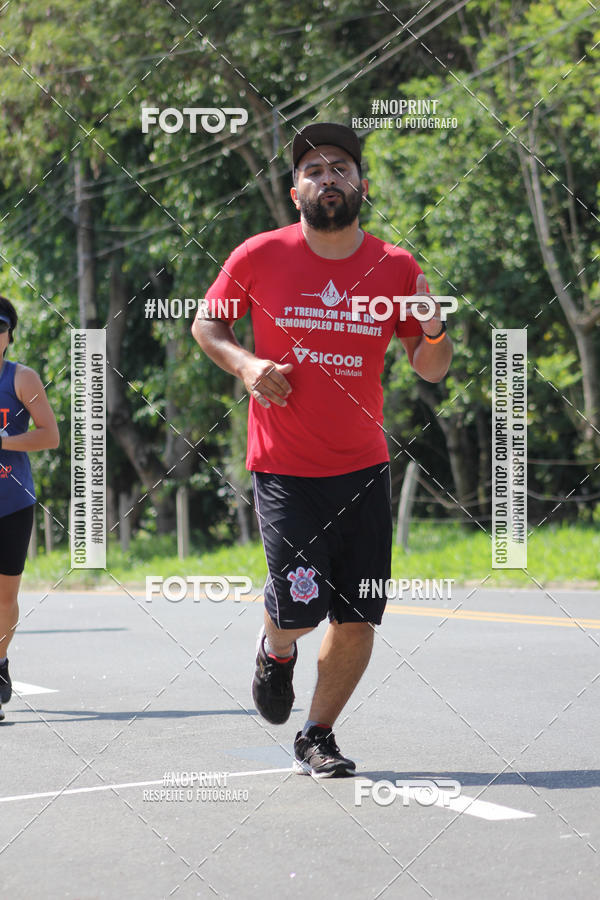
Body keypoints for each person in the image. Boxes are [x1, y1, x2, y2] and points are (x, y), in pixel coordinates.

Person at [191, 122, 452, 777]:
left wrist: (435, 325)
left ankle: (318, 735)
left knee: (359, 614)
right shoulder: (258, 254)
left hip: (364, 469)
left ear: (361, 185)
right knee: (301, 608)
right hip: (285, 469)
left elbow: (432, 367)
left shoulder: (397, 268)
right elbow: (207, 323)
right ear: (294, 190)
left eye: (341, 166)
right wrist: (246, 366)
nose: (327, 176)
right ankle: (276, 651)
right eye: (313, 169)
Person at [0, 296, 59, 720]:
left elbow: (50, 436)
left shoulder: (22, 378)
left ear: (8, 334)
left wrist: (2, 441)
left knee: (5, 596)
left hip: (12, 503)